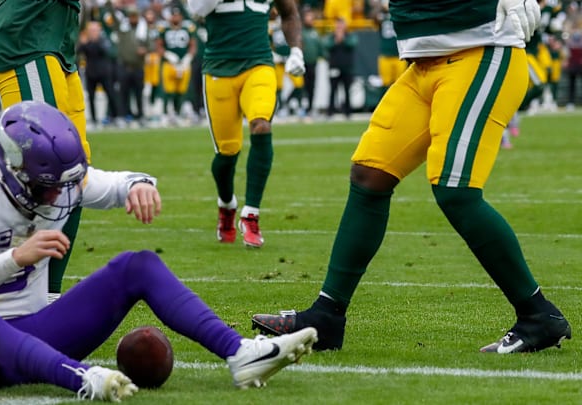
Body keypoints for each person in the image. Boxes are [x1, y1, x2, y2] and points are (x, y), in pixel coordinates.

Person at [0, 101, 317, 400]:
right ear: (12, 171)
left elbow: (111, 182)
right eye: (45, 188)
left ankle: (239, 353)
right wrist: (14, 259)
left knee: (136, 265)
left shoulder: (56, 179)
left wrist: (140, 185)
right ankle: (83, 380)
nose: (54, 197)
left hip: (41, 328)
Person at [251, 0, 572, 354]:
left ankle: (538, 314)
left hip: (481, 48)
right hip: (423, 63)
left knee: (456, 190)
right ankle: (327, 316)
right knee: (370, 174)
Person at [0, 0, 91, 303]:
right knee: (48, 172)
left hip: (54, 41)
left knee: (75, 173)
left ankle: (47, 297)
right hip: (27, 40)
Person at [188, 0, 305, 248]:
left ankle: (250, 214)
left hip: (259, 65)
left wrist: (296, 50)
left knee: (261, 125)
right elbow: (195, 10)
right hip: (219, 70)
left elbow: (289, 12)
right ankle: (227, 204)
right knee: (226, 153)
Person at [157, 6, 197, 126]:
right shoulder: (164, 29)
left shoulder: (188, 28)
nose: (175, 17)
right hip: (169, 64)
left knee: (182, 91)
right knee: (168, 91)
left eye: (177, 15)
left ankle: (177, 114)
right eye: (173, 15)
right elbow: (158, 45)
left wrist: (189, 57)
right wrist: (167, 54)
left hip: (183, 64)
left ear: (181, 16)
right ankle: (165, 115)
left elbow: (193, 45)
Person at [324, 17, 357, 119]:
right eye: (338, 25)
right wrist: (336, 41)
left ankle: (347, 112)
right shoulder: (331, 37)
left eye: (341, 24)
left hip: (347, 68)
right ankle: (330, 112)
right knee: (333, 90)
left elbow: (353, 43)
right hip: (334, 67)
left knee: (347, 90)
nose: (339, 27)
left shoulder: (350, 36)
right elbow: (326, 45)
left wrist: (343, 39)